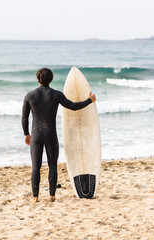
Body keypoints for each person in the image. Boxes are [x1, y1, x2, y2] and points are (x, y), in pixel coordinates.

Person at [22, 68, 96, 203]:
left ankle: (35, 196)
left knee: (36, 166)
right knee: (52, 165)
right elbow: (73, 106)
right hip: (50, 134)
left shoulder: (29, 96)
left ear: (38, 79)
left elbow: (24, 118)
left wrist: (26, 134)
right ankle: (52, 196)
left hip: (36, 135)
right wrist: (89, 100)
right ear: (51, 79)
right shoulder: (56, 95)